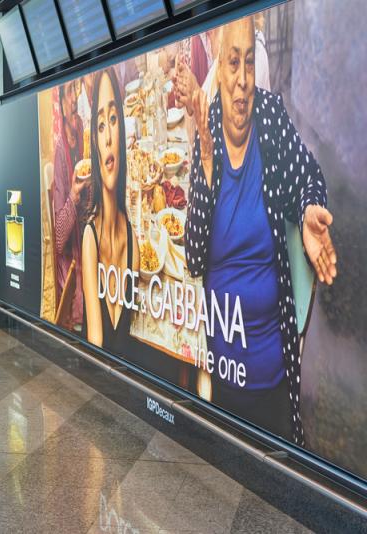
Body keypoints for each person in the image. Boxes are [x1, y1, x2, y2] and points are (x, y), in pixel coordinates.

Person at [184, 17, 336, 446]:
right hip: (222, 367)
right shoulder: (207, 124)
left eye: (250, 63)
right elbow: (194, 254)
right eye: (233, 64)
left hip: (273, 365)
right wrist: (207, 164)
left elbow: (309, 174)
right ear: (218, 61)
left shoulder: (270, 117)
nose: (243, 80)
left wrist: (308, 210)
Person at [81, 67, 140, 352]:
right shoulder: (89, 238)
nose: (107, 138)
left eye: (114, 120)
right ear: (94, 139)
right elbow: (95, 346)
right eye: (100, 125)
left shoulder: (133, 241)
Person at [52, 78, 89, 331]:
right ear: (60, 100)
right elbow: (57, 237)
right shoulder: (59, 152)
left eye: (77, 89)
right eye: (68, 92)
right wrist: (74, 197)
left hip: (87, 230)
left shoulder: (81, 131)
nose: (74, 98)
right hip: (72, 258)